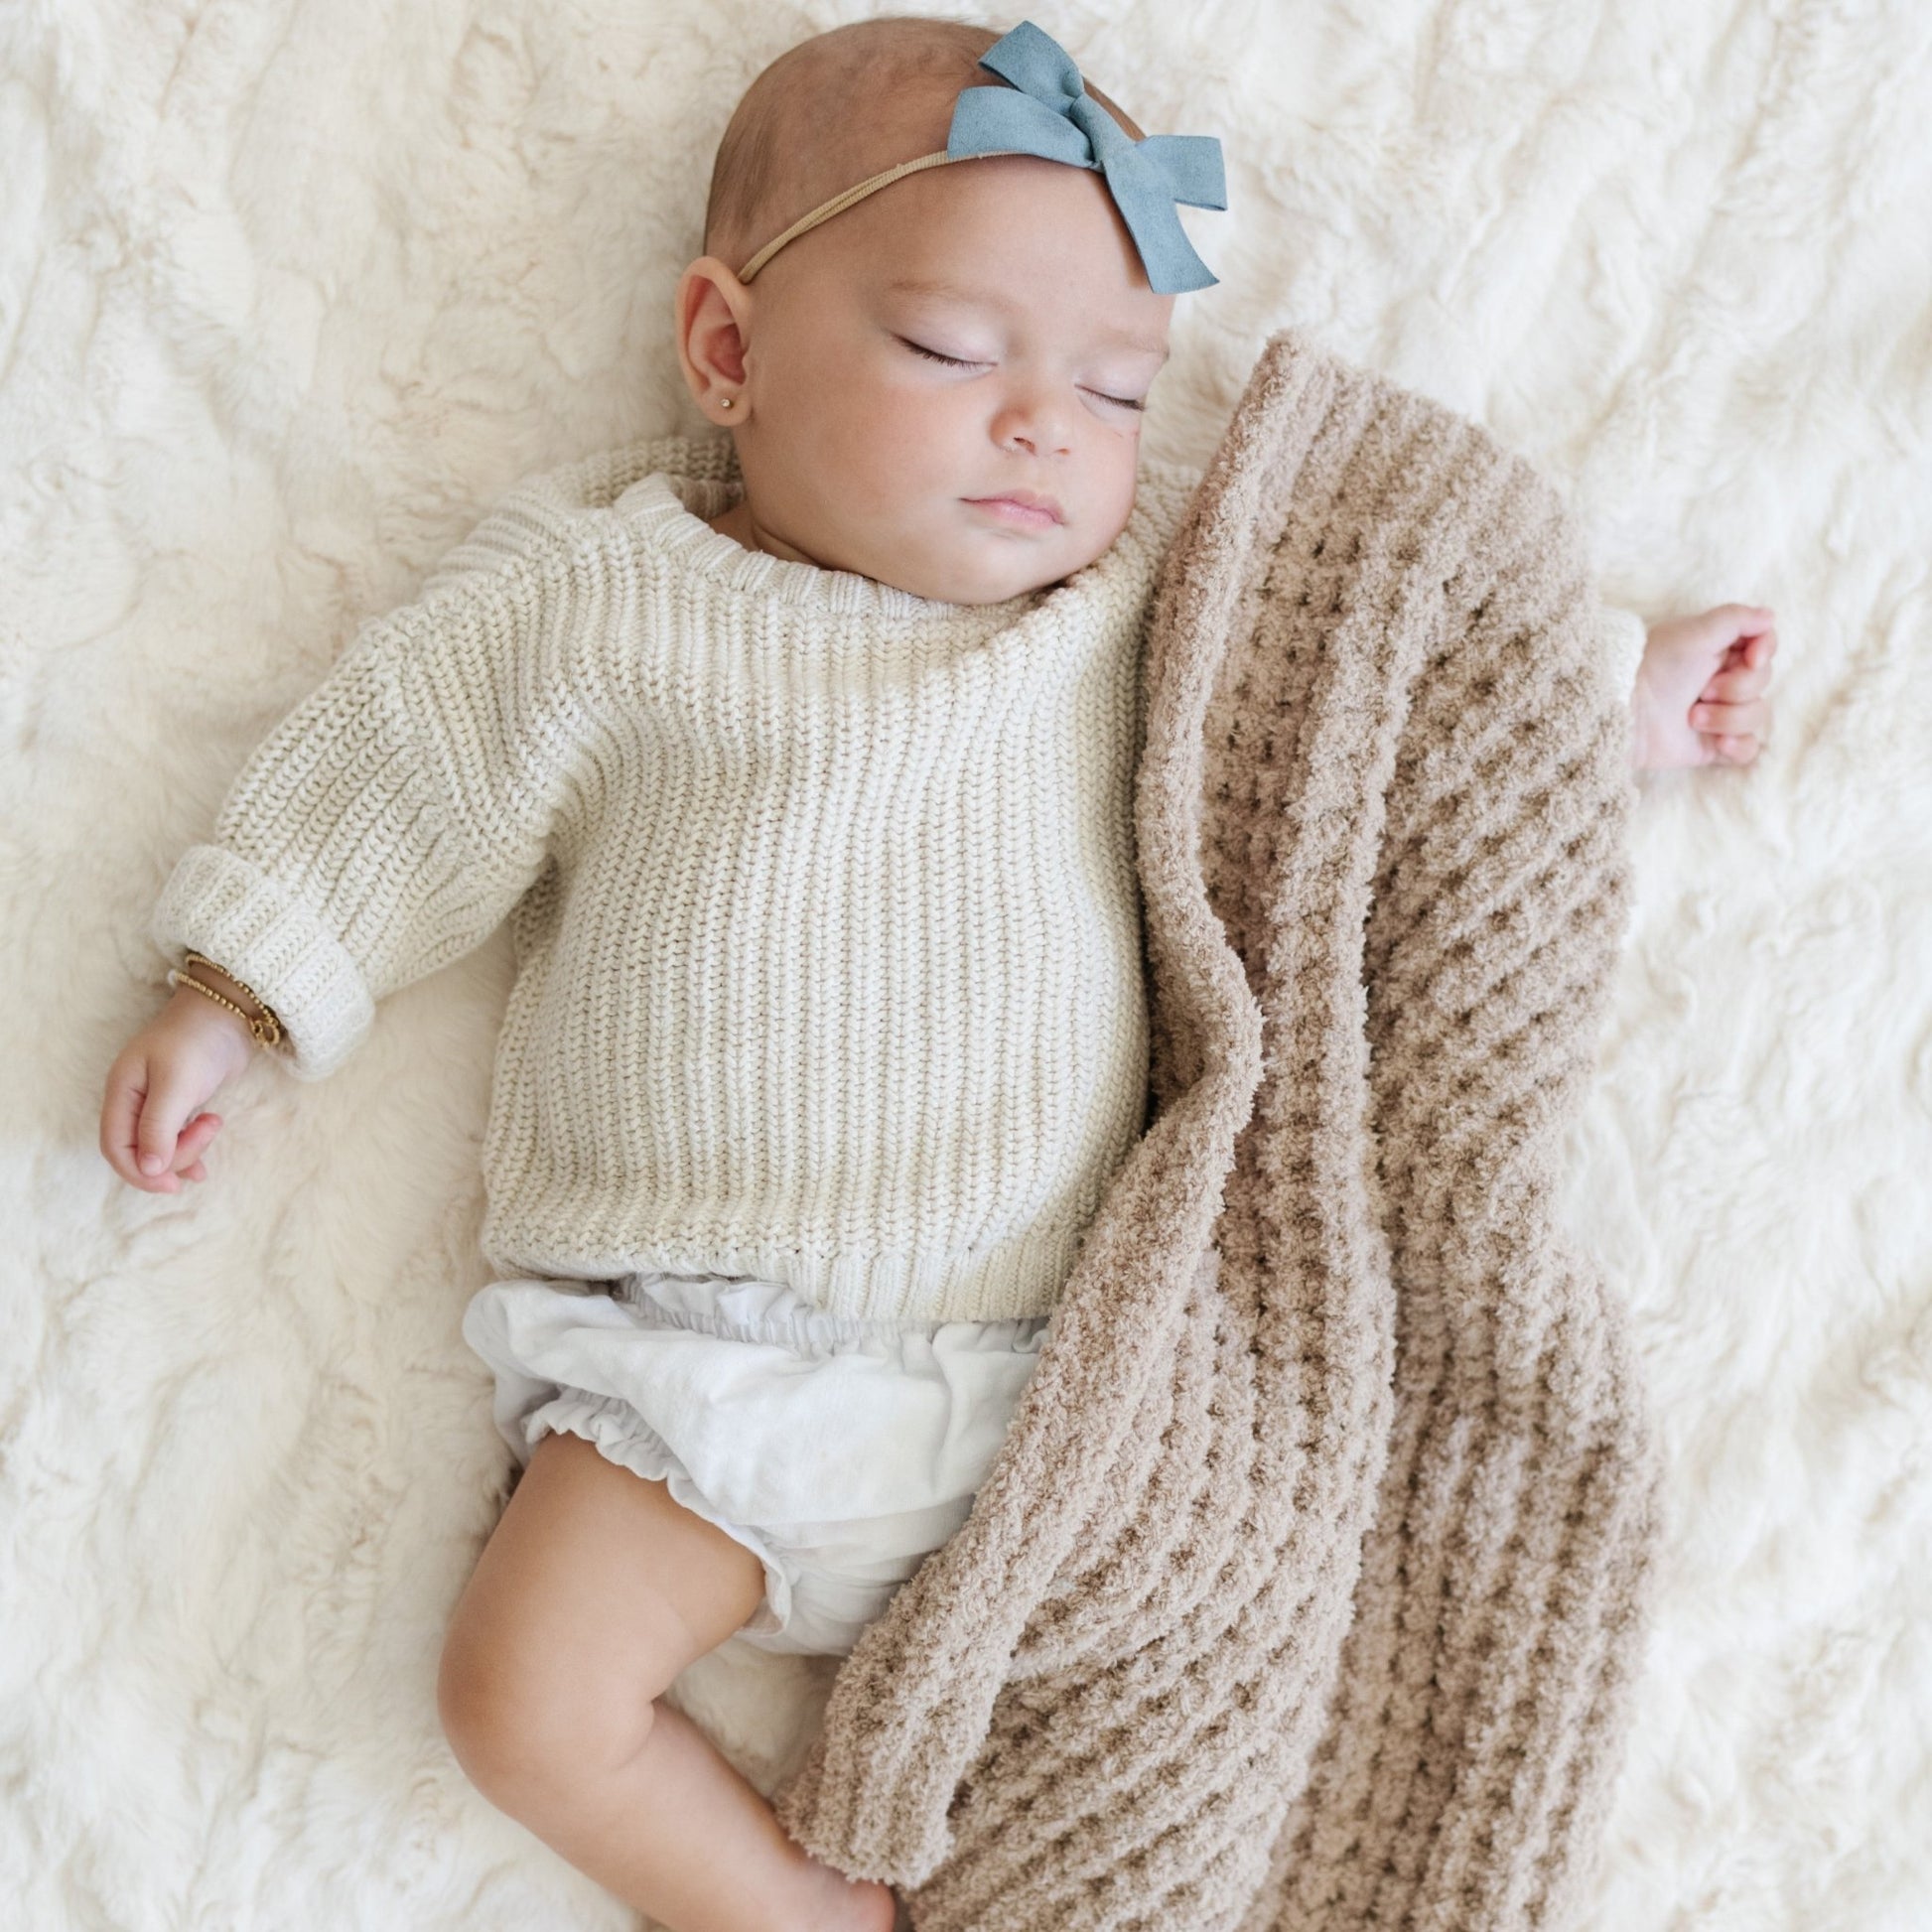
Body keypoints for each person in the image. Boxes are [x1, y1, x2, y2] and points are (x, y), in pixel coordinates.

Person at [95, 17, 1776, 1931]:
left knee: (1233, 1681)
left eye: (1120, 387)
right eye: (950, 350)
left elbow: (1368, 723)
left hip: (1074, 1394)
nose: (1045, 425)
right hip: (690, 1369)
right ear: (727, 349)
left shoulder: (1140, 607)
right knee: (520, 1699)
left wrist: (1600, 695)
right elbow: (406, 769)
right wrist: (239, 987)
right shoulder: (606, 600)